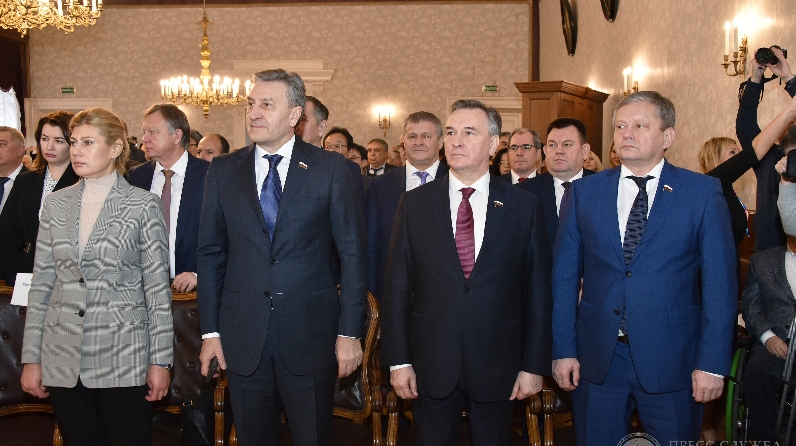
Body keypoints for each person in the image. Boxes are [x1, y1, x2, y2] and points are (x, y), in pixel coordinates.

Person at [552, 91, 736, 445]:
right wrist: (563, 350)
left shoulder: (701, 193)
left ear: (667, 136)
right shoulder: (584, 193)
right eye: (621, 126)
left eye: (640, 125)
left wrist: (712, 363)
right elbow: (563, 280)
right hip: (598, 360)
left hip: (673, 360)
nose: (627, 133)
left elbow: (721, 287)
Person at [196, 69, 367, 446]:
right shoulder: (224, 170)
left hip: (311, 335)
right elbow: (210, 254)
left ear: (294, 114)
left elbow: (353, 255)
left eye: (267, 105)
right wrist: (210, 332)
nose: (254, 113)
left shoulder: (330, 169)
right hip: (243, 336)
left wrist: (349, 333)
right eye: (250, 104)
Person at [382, 100, 552, 446]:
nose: (456, 140)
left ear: (493, 145)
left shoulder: (523, 206)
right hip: (431, 362)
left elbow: (537, 293)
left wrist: (534, 365)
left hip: (498, 363)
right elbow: (396, 288)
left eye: (469, 132)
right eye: (450, 132)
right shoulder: (414, 204)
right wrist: (398, 362)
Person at [20, 107, 173, 445]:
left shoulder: (142, 205)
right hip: (63, 355)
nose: (76, 151)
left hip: (123, 355)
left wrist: (160, 361)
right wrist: (32, 357)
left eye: (88, 143)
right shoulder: (56, 204)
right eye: (74, 142)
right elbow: (42, 285)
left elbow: (156, 291)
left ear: (116, 147)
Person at [366, 111, 449, 301]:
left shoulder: (457, 182)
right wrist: (372, 300)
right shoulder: (380, 186)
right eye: (412, 136)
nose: (418, 142)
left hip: (444, 295)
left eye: (426, 136)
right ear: (403, 141)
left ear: (441, 142)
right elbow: (371, 247)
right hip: (392, 295)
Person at [127, 104, 210, 293]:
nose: (144, 139)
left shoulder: (210, 176)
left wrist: (199, 275)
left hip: (195, 294)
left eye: (152, 132)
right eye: (144, 132)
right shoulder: (135, 177)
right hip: (144, 292)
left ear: (177, 136)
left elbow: (227, 236)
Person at [0, 111, 80, 286]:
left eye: (58, 141)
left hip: (68, 275)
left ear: (72, 144)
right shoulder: (25, 181)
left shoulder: (83, 182)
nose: (49, 147)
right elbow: (8, 232)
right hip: (26, 271)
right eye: (45, 139)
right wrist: (14, 271)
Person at [737, 46, 796, 253]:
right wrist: (755, 79)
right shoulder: (769, 158)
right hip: (767, 259)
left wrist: (788, 77)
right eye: (788, 122)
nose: (790, 123)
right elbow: (746, 129)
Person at [741, 230, 796, 442]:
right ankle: (768, 439)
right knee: (757, 373)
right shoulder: (762, 261)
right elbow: (751, 309)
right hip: (775, 341)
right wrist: (768, 337)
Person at [519, 117, 595, 247]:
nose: (559, 151)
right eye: (552, 145)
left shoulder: (604, 189)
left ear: (584, 151)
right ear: (545, 151)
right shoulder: (525, 193)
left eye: (567, 145)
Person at [320, 126, 366, 201]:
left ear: (350, 152)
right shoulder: (318, 170)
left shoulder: (353, 170)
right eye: (327, 147)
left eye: (338, 146)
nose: (331, 150)